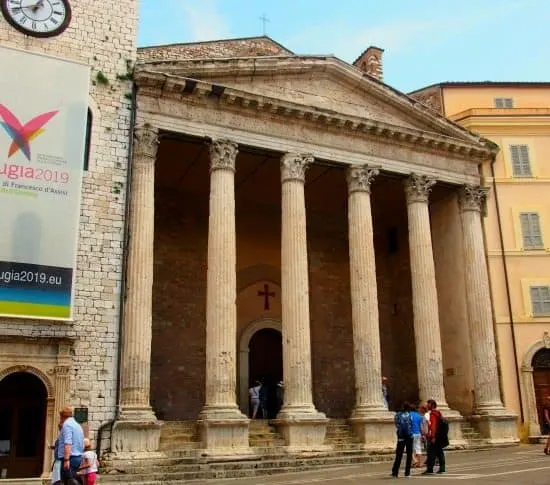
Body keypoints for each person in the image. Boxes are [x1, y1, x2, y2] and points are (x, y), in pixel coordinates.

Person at [57, 406, 85, 484]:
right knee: (75, 481)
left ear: (62, 416)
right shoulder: (77, 424)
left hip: (70, 459)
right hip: (78, 457)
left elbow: (68, 443)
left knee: (68, 482)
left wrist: (66, 459)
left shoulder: (67, 425)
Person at [422, 399, 446, 475]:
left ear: (432, 405)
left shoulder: (433, 414)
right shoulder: (438, 413)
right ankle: (442, 468)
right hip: (439, 436)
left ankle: (430, 469)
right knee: (439, 452)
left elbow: (433, 426)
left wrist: (433, 437)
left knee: (431, 453)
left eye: (428, 404)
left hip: (434, 436)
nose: (427, 406)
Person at [391, 401, 413, 478]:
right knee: (409, 455)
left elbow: (397, 424)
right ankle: (407, 473)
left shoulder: (397, 415)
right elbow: (411, 425)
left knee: (399, 454)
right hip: (409, 436)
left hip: (401, 436)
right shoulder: (410, 415)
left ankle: (395, 472)